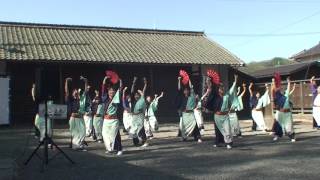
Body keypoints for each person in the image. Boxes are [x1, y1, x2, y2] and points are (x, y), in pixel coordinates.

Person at [205, 74, 238, 149]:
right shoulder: (216, 96)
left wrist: (235, 80)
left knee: (227, 129)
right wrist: (209, 81)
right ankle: (218, 142)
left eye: (222, 88)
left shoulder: (227, 95)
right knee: (218, 130)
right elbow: (211, 89)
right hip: (217, 116)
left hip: (225, 116)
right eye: (220, 88)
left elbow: (232, 89)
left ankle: (229, 143)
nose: (222, 89)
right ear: (218, 89)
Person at [101, 74, 123, 155]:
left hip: (114, 120)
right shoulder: (105, 98)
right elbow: (103, 89)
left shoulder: (116, 98)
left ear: (114, 92)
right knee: (105, 133)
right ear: (108, 91)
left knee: (115, 134)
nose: (111, 92)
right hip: (106, 119)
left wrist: (120, 81)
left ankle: (119, 149)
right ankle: (109, 148)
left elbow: (120, 90)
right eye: (110, 90)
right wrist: (105, 79)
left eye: (113, 90)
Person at [65, 77, 88, 151]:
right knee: (75, 133)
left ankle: (79, 145)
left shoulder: (81, 99)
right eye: (74, 91)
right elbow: (67, 92)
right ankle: (76, 146)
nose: (75, 92)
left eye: (76, 91)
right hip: (73, 118)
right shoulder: (70, 100)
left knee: (83, 132)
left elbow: (85, 91)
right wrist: (66, 82)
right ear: (72, 93)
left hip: (80, 118)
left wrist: (85, 82)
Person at [177, 76, 202, 143]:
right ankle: (184, 137)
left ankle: (198, 137)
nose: (186, 91)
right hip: (184, 114)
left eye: (187, 90)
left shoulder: (192, 97)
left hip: (191, 114)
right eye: (185, 90)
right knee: (183, 127)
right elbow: (179, 89)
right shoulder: (182, 97)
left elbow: (191, 88)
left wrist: (189, 80)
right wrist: (179, 80)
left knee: (195, 125)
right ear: (184, 92)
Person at [272, 77, 296, 142]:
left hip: (287, 113)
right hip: (280, 112)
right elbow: (274, 89)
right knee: (278, 125)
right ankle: (276, 136)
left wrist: (289, 82)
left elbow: (288, 89)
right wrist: (274, 82)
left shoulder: (286, 95)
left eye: (282, 90)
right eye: (280, 90)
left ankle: (292, 137)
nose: (281, 91)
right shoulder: (278, 96)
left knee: (289, 126)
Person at [129, 77, 149, 147]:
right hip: (134, 116)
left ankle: (145, 142)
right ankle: (136, 142)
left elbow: (143, 92)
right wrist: (134, 82)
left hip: (140, 116)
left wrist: (145, 84)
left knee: (140, 128)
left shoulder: (141, 100)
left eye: (138, 95)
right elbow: (132, 91)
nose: (136, 96)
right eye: (135, 95)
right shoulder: (133, 100)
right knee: (133, 130)